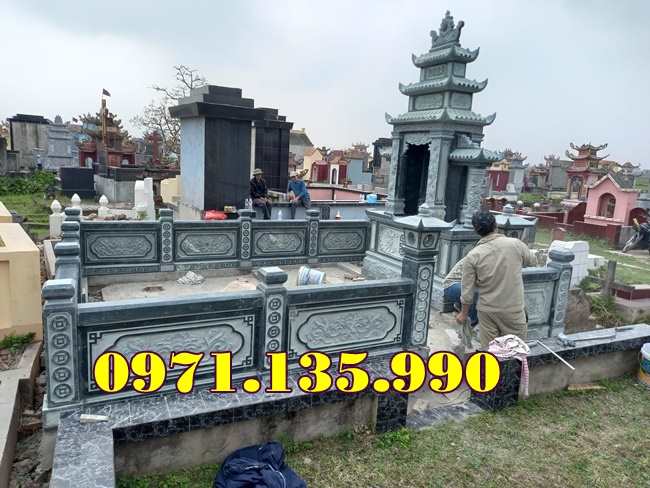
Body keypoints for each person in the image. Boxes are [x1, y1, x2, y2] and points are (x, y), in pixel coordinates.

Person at [456, 210, 537, 348]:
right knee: (516, 351)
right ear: (496, 225)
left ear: (476, 230)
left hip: (488, 311)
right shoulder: (515, 244)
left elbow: (467, 291)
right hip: (513, 310)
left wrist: (463, 314)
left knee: (490, 351)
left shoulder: (473, 255)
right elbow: (533, 261)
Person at [442, 257, 478, 327]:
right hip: (452, 285)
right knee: (476, 294)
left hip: (467, 285)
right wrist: (464, 313)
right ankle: (472, 324)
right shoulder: (477, 257)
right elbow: (468, 287)